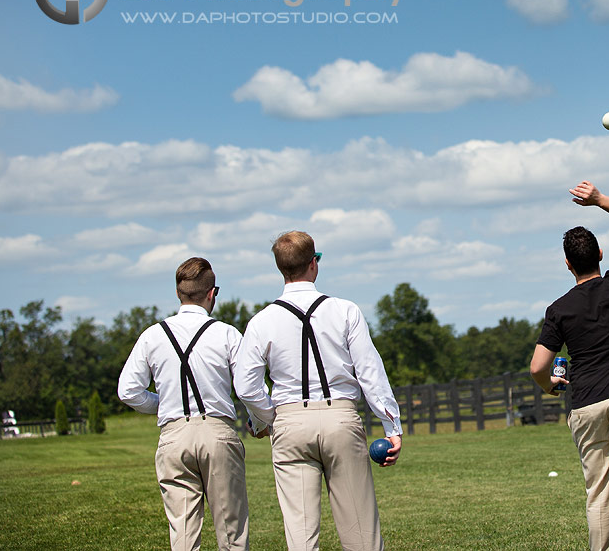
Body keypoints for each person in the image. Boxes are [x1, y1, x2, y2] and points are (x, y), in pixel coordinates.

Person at [235, 232, 402, 551]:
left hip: (289, 424)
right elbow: (369, 372)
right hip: (340, 418)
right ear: (314, 263)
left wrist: (267, 420)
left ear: (281, 269)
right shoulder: (345, 310)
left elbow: (246, 385)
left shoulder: (261, 321)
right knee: (361, 533)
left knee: (301, 536)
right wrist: (391, 426)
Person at [530, 181, 609, 551]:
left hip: (586, 405)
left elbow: (539, 365)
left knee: (599, 492)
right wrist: (599, 200)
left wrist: (550, 385)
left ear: (567, 264)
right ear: (601, 253)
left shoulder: (559, 309)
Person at [117, 257, 253, 551]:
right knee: (232, 530)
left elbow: (128, 391)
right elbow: (248, 387)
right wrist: (261, 421)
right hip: (218, 433)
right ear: (212, 293)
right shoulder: (227, 333)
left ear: (178, 293)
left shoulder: (153, 335)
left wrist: (162, 404)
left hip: (173, 435)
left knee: (183, 531)